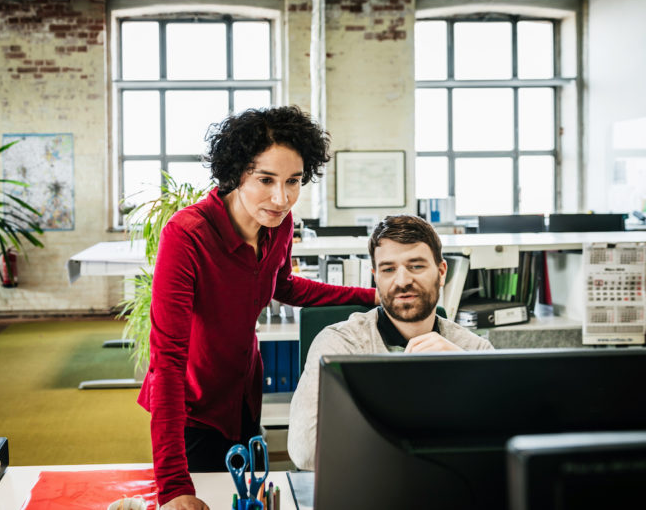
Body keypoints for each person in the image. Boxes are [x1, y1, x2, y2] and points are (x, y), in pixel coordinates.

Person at [137, 106, 380, 510]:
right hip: (194, 407)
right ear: (236, 173)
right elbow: (168, 362)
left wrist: (368, 296)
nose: (281, 197)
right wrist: (174, 485)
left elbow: (283, 285)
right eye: (265, 180)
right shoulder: (186, 236)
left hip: (245, 393)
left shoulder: (278, 223)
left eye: (293, 181)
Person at [287, 214, 494, 471]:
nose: (402, 280)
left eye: (416, 266)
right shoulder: (338, 345)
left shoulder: (474, 351)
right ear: (376, 277)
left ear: (441, 273)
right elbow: (305, 450)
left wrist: (463, 370)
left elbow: (504, 441)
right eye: (388, 269)